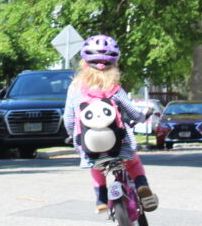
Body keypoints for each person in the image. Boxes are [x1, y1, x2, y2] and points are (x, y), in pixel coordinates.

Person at [62, 34, 159, 214]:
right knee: (132, 162)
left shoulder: (75, 88)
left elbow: (68, 117)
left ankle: (100, 198)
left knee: (96, 164)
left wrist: (72, 134)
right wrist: (142, 116)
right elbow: (132, 113)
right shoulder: (114, 88)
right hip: (119, 143)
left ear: (84, 63)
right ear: (114, 64)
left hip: (88, 144)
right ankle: (141, 186)